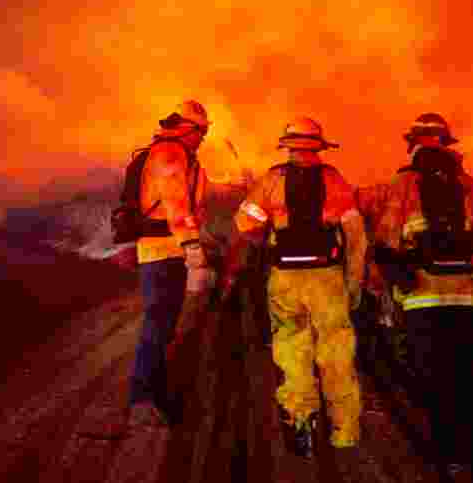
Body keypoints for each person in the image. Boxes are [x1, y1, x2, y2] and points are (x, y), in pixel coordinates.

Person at [220, 117, 367, 458]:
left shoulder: (272, 180)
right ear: (318, 147)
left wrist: (255, 255)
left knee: (291, 348)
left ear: (288, 146)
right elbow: (356, 238)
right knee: (337, 353)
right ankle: (345, 432)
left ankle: (301, 426)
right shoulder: (335, 181)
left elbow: (244, 227)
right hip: (327, 277)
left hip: (284, 277)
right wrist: (354, 281)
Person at [373, 113, 473, 481]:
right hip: (468, 298)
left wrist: (390, 284)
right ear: (446, 143)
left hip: (423, 300)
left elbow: (386, 238)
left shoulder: (402, 184)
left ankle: (447, 458)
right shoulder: (467, 183)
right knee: (468, 374)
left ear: (413, 143)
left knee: (434, 378)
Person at [126, 100, 210, 428]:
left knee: (162, 326)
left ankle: (154, 398)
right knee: (157, 325)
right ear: (188, 128)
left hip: (161, 251)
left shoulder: (169, 153)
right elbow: (177, 204)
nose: (203, 138)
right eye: (202, 131)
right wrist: (192, 246)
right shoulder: (171, 154)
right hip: (165, 252)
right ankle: (143, 401)